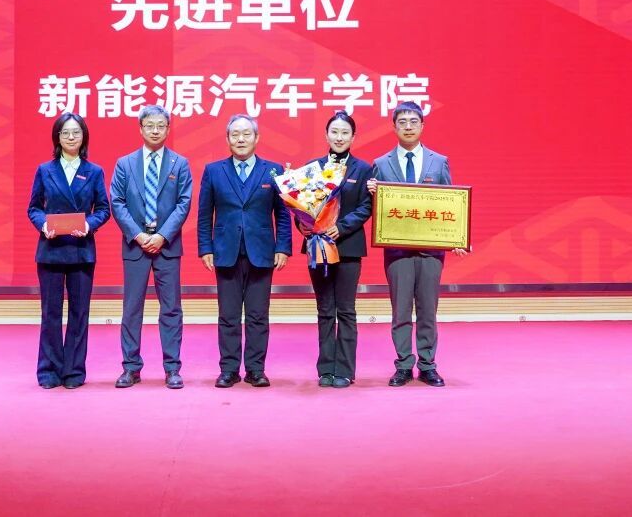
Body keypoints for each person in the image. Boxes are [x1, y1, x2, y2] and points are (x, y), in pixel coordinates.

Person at [367, 101, 465, 387]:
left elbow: (451, 202)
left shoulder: (439, 161)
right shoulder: (381, 164)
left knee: (427, 311)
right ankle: (403, 365)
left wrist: (456, 237)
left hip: (431, 251)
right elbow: (376, 210)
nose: (408, 127)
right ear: (394, 127)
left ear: (422, 125)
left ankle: (427, 365)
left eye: (413, 121)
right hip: (397, 251)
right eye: (402, 122)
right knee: (400, 312)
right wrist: (372, 193)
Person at [197, 113, 292, 388]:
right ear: (228, 139)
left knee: (258, 316)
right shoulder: (213, 170)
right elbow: (204, 214)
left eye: (246, 134)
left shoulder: (273, 171)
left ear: (256, 137)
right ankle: (228, 369)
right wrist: (205, 248)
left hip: (262, 252)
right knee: (228, 315)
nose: (241, 139)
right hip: (225, 251)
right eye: (235, 134)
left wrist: (283, 247)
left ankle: (255, 369)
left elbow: (282, 214)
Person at [108, 105, 192, 390]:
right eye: (150, 125)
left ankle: (172, 368)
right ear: (141, 129)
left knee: (171, 308)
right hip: (136, 246)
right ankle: (131, 367)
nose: (155, 130)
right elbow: (117, 202)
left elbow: (183, 203)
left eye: (160, 126)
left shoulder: (179, 163)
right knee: (132, 308)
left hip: (168, 246)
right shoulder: (125, 164)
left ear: (168, 129)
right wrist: (138, 234)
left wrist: (163, 236)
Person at [26, 112, 111, 389]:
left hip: (81, 250)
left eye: (76, 132)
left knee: (79, 313)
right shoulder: (44, 170)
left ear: (84, 136)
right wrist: (43, 225)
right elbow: (34, 208)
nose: (71, 137)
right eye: (65, 133)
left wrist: (88, 225)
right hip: (51, 250)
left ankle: (74, 371)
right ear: (57, 137)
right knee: (50, 313)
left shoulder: (94, 171)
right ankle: (49, 370)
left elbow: (104, 209)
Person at [296, 111, 373, 388]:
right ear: (326, 135)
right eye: (334, 132)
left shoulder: (364, 170)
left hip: (348, 246)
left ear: (353, 137)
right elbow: (300, 206)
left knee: (346, 310)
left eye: (345, 133)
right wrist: (303, 225)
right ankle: (326, 369)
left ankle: (345, 370)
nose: (339, 137)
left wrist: (341, 227)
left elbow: (366, 206)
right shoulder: (311, 168)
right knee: (325, 308)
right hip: (318, 245)